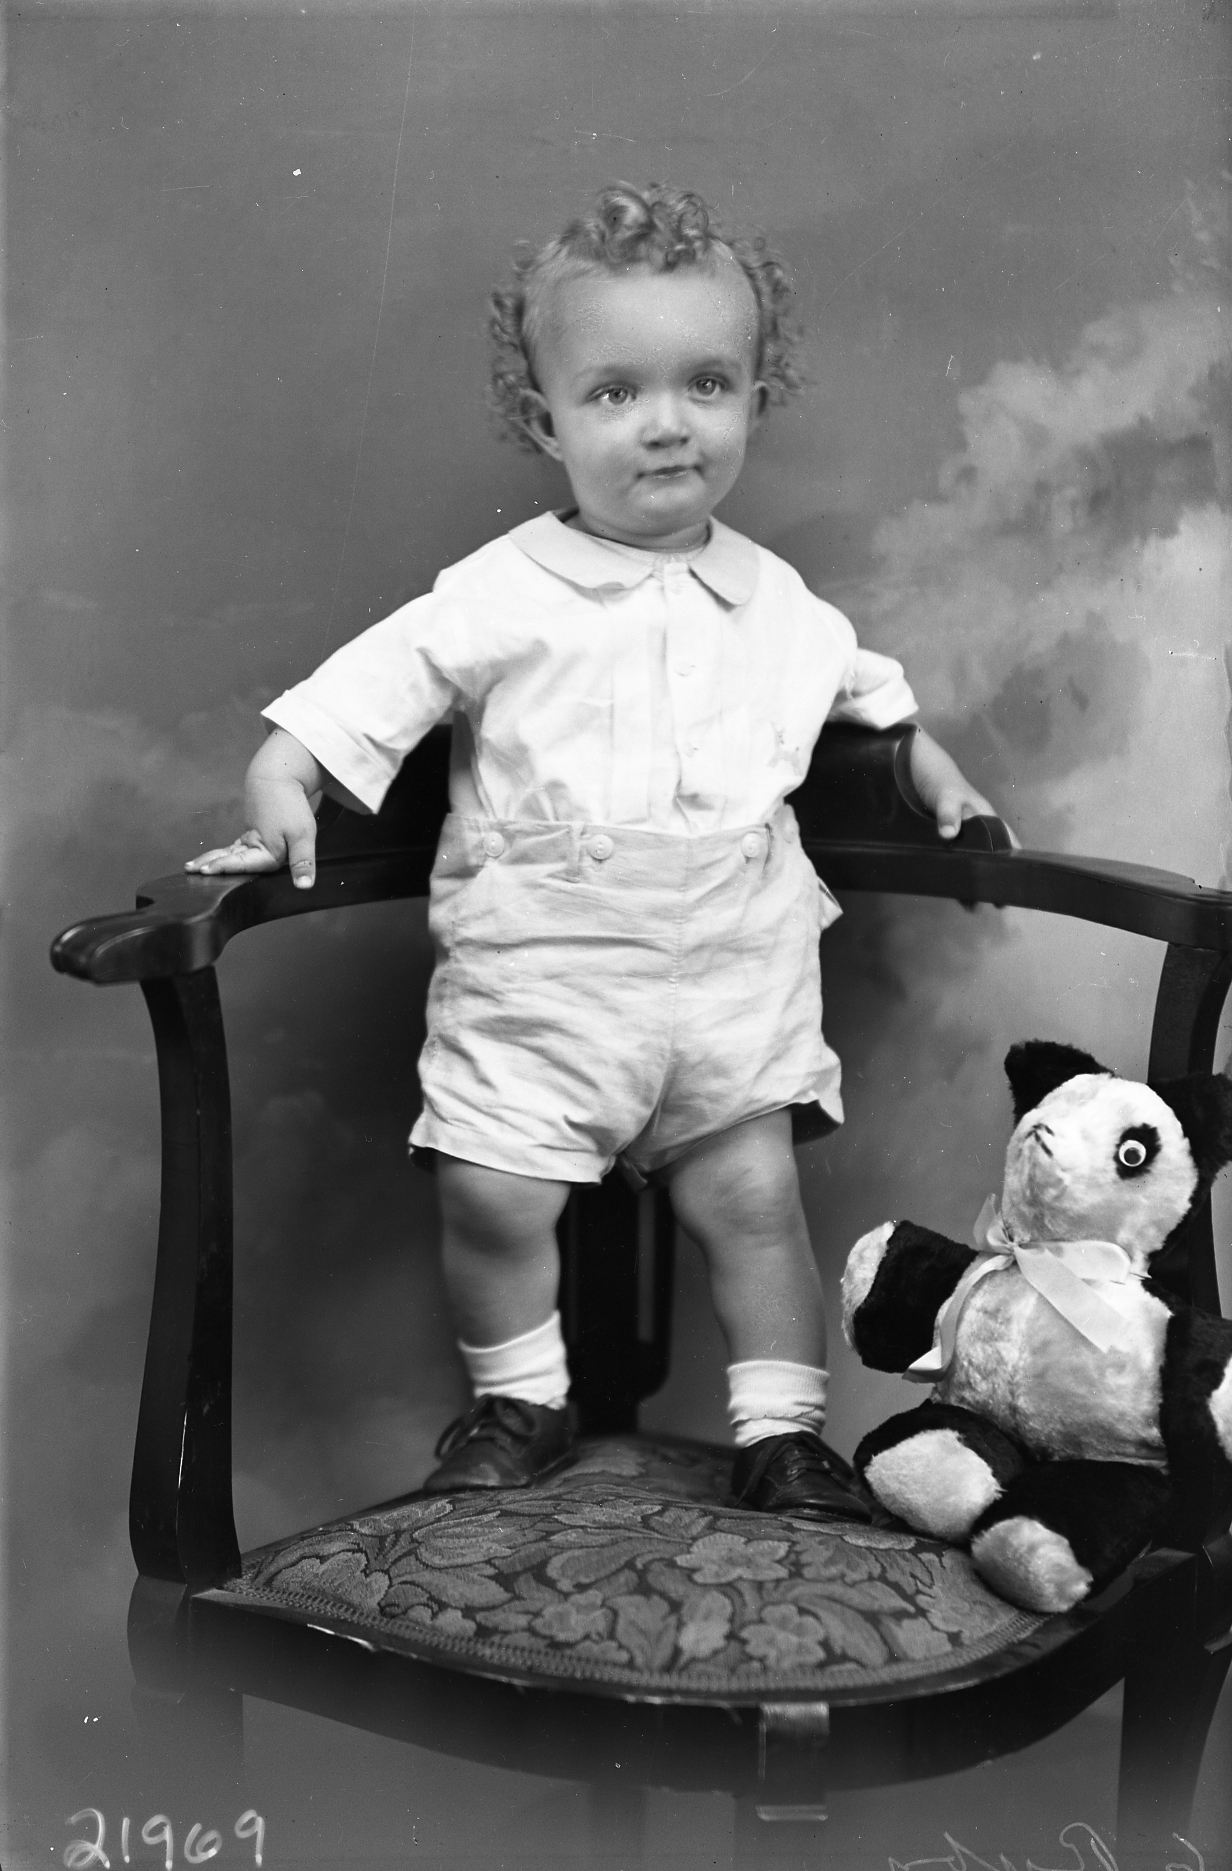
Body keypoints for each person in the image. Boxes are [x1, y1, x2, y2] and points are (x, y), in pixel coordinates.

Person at [187, 183, 1001, 1520]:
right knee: (494, 1196)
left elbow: (869, 697)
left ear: (754, 399)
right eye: (615, 393)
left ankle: (783, 1432)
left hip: (730, 984)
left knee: (753, 1204)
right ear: (544, 420)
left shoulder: (778, 601)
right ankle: (522, 1398)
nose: (667, 422)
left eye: (706, 384)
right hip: (546, 975)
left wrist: (934, 773)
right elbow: (373, 688)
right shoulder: (501, 592)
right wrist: (284, 773)